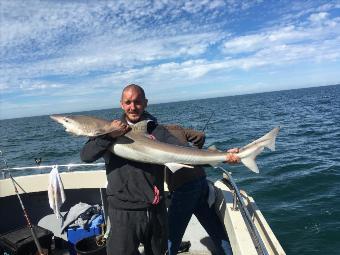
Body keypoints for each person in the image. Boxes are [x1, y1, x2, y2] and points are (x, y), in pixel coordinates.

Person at [80, 84, 178, 255]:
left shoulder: (157, 130)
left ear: (145, 103)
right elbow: (86, 156)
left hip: (155, 209)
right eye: (128, 102)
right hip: (122, 211)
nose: (132, 107)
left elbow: (183, 149)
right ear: (121, 104)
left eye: (137, 102)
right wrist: (110, 135)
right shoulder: (106, 130)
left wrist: (222, 155)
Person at [164, 125, 238, 255]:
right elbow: (200, 135)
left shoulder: (155, 134)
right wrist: (197, 151)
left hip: (183, 185)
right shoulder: (176, 127)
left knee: (172, 232)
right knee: (212, 225)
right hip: (200, 179)